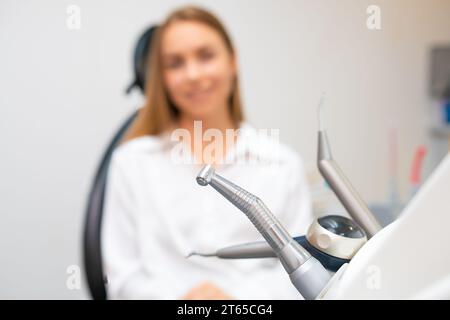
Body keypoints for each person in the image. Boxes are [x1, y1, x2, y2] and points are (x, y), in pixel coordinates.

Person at [101, 5, 314, 299]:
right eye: (175, 63)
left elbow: (303, 272)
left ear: (233, 60)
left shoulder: (282, 164)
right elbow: (121, 279)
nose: (192, 74)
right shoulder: (131, 163)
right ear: (160, 77)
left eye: (206, 56)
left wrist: (234, 302)